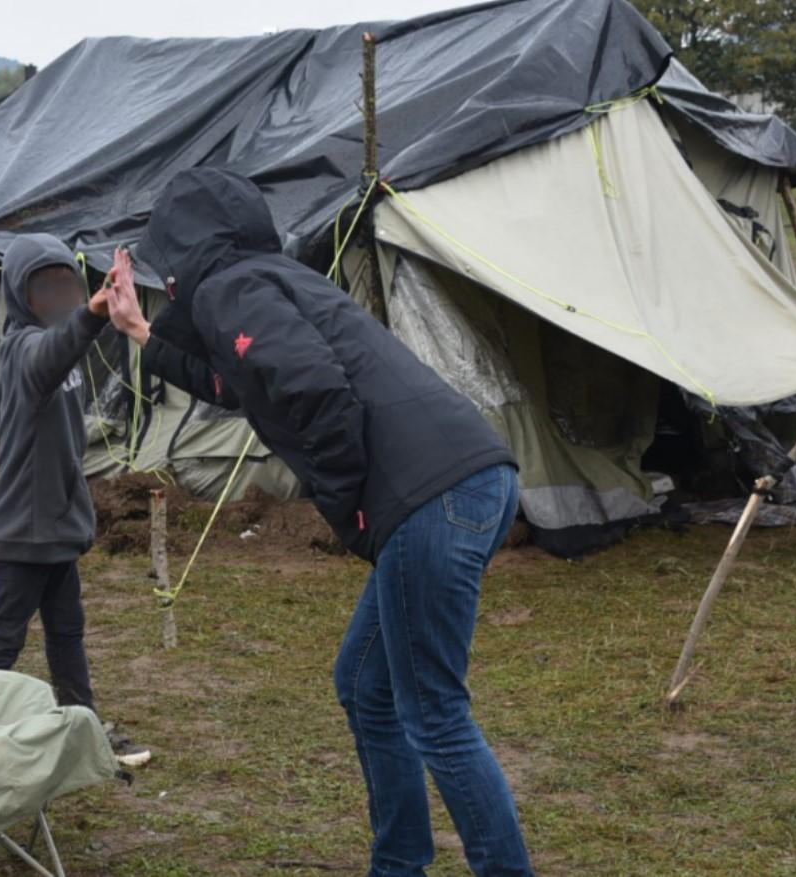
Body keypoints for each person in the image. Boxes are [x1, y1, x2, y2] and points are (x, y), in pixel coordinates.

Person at [106, 168, 532, 877]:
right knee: (366, 685)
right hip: (474, 481)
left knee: (434, 715)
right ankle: (398, 864)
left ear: (186, 243)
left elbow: (315, 389)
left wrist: (345, 498)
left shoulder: (230, 288)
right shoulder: (266, 278)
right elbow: (241, 381)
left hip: (428, 496)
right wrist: (142, 332)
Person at [0, 233, 151, 768]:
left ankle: (83, 728)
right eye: (42, 290)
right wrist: (93, 314)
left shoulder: (62, 344)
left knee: (67, 634)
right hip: (22, 536)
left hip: (55, 530)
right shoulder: (23, 349)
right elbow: (51, 354)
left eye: (64, 287)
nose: (55, 300)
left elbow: (66, 350)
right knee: (1, 648)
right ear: (19, 296)